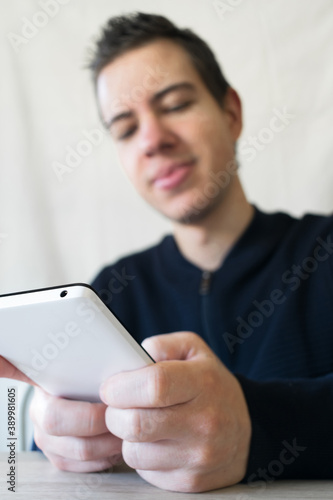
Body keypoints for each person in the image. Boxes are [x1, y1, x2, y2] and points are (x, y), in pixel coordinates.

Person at [22, 12, 333, 492]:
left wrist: (257, 426)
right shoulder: (108, 294)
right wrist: (46, 427)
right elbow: (47, 436)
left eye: (175, 104)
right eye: (125, 128)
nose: (152, 139)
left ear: (231, 112)